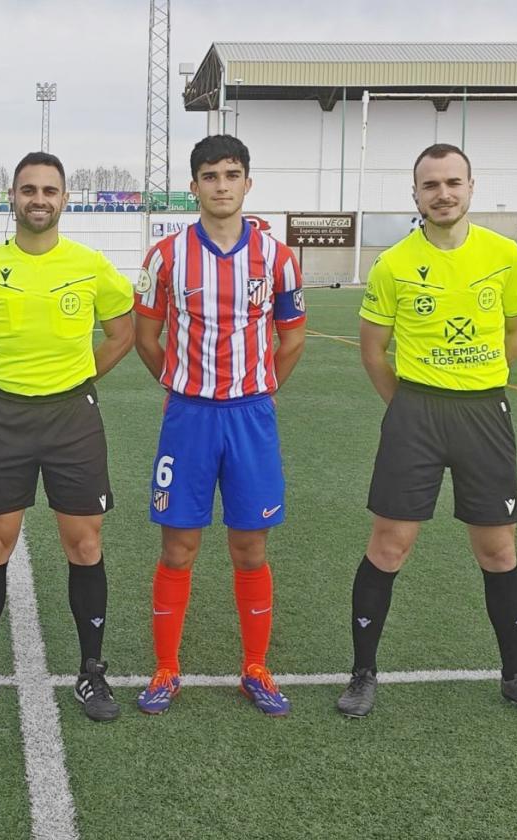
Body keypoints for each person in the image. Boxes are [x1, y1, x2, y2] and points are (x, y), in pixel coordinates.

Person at [339, 143, 517, 722]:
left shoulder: (505, 254)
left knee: (498, 547)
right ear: (415, 193)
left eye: (452, 183)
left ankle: (515, 677)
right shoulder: (393, 264)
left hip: (484, 413)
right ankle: (363, 674)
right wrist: (410, 406)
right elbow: (372, 350)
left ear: (470, 187)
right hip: (416, 413)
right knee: (389, 545)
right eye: (431, 185)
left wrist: (483, 379)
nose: (443, 193)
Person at [0, 151, 134, 722]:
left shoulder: (91, 265)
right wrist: (6, 376)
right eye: (28, 189)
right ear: (12, 197)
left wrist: (74, 378)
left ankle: (91, 672)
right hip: (4, 416)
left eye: (49, 190)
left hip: (72, 418)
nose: (38, 199)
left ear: (64, 199)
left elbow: (122, 333)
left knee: (84, 544)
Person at [132, 134, 306, 717]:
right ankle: (165, 669)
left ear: (248, 183)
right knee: (178, 547)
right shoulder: (166, 255)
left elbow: (293, 336)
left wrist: (262, 388)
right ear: (194, 187)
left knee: (250, 548)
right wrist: (181, 383)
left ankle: (256, 667)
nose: (222, 185)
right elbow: (147, 337)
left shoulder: (278, 258)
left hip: (251, 417)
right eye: (211, 176)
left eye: (232, 175)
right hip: (188, 417)